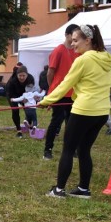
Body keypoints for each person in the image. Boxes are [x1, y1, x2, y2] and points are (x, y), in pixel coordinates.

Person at [40, 24, 111, 199]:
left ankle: (58, 190)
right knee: (84, 149)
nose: (72, 44)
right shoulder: (106, 59)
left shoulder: (83, 60)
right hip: (102, 112)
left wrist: (46, 100)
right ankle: (83, 189)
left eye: (75, 40)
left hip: (84, 110)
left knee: (68, 149)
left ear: (87, 41)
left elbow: (66, 84)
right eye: (71, 40)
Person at [43, 24, 81, 160]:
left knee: (72, 123)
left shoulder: (78, 52)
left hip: (73, 94)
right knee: (56, 121)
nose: (76, 38)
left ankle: (72, 149)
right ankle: (47, 149)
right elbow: (50, 72)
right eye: (74, 35)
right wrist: (53, 90)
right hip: (60, 93)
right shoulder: (59, 50)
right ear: (67, 35)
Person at [6, 65, 35, 138]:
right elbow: (10, 94)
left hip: (25, 95)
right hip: (13, 95)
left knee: (30, 110)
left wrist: (28, 98)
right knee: (15, 110)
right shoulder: (12, 81)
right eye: (20, 75)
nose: (22, 77)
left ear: (27, 75)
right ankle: (19, 130)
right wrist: (19, 99)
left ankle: (28, 123)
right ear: (17, 75)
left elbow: (31, 91)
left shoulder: (30, 79)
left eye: (23, 75)